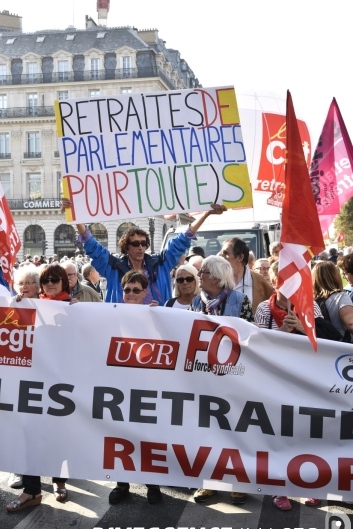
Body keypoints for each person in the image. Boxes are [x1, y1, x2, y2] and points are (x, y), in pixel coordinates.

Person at [61, 199, 227, 305]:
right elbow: (92, 245)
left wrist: (206, 214)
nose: (140, 247)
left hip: (156, 327)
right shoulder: (114, 267)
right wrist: (75, 216)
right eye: (135, 244)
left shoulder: (160, 264)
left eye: (144, 243)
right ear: (126, 247)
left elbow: (182, 239)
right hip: (121, 326)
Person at [255, 260, 323, 511]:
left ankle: (311, 485)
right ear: (274, 282)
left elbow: (325, 344)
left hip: (306, 380)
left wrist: (305, 329)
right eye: (283, 279)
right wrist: (283, 330)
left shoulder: (311, 306)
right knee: (278, 436)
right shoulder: (264, 309)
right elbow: (260, 348)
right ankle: (278, 489)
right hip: (275, 381)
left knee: (307, 435)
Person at [7, 264, 74, 512]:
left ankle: (59, 481)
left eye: (55, 279)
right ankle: (32, 490)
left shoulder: (73, 308)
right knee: (30, 435)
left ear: (64, 283)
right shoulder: (29, 306)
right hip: (33, 384)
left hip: (61, 386)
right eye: (45, 279)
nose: (49, 283)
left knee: (59, 435)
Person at [190, 255, 253, 505]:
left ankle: (238, 483)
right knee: (205, 432)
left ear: (216, 277)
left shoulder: (240, 301)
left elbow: (250, 338)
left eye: (203, 272)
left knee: (235, 431)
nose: (199, 276)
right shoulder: (197, 302)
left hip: (233, 378)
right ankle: (209, 482)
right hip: (202, 378)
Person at [108, 271, 160, 505]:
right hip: (118, 385)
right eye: (127, 289)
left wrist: (159, 318)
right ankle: (122, 483)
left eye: (136, 290)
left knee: (147, 435)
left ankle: (152, 483)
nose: (130, 294)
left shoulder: (155, 314)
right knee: (120, 434)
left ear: (144, 292)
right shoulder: (111, 313)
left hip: (146, 385)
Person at [7, 265, 41, 490]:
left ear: (38, 287)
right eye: (21, 283)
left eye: (30, 282)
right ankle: (19, 471)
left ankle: (55, 477)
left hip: (45, 377)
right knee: (19, 427)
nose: (25, 287)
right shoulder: (11, 306)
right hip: (19, 376)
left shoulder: (52, 305)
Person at [219, 238, 273, 314]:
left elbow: (274, 304)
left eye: (226, 253)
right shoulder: (217, 279)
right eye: (221, 253)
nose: (221, 256)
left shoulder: (258, 280)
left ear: (240, 257)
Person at [312, 261, 353, 341]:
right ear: (335, 276)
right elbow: (351, 324)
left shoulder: (310, 300)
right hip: (340, 348)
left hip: (319, 346)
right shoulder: (340, 297)